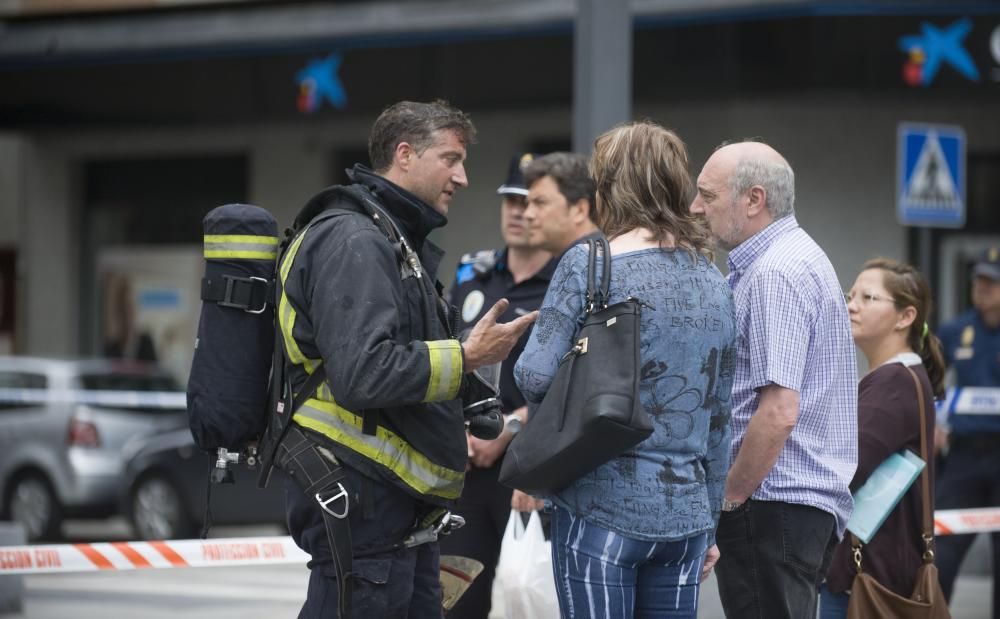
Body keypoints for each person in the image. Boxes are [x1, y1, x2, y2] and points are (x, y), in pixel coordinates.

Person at [277, 100, 537, 618]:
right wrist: (465, 356)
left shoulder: (391, 239)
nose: (463, 178)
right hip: (361, 507)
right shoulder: (355, 240)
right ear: (404, 155)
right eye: (451, 159)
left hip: (397, 516)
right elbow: (364, 373)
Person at [514, 121, 736, 618]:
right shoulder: (714, 280)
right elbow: (720, 416)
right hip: (685, 517)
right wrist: (710, 520)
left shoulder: (590, 265)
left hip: (599, 506)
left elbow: (533, 377)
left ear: (609, 185)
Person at [689, 140, 857, 619]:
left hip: (770, 502)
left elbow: (779, 412)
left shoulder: (773, 273)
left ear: (754, 199)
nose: (695, 208)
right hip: (785, 505)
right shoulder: (789, 259)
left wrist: (729, 499)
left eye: (708, 195)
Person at [438, 153, 555, 619]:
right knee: (456, 599)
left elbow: (571, 381)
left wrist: (509, 428)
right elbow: (446, 351)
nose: (520, 213)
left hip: (528, 469)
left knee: (530, 598)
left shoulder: (566, 281)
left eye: (530, 202)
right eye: (511, 201)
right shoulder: (473, 273)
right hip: (466, 467)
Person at [819, 258, 945, 617]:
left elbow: (847, 468)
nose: (851, 305)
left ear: (906, 317)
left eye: (869, 298)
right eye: (851, 294)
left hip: (867, 576)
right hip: (880, 569)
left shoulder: (893, 383)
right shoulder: (902, 378)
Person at [509, 151, 602, 514]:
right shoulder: (605, 258)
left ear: (580, 209)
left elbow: (540, 377)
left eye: (540, 202)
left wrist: (539, 470)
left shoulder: (578, 264)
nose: (526, 213)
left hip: (571, 475)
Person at [935, 247, 1000, 619]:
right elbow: (931, 380)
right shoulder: (956, 329)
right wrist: (933, 421)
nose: (982, 287)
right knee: (943, 548)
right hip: (964, 456)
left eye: (992, 281)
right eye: (979, 279)